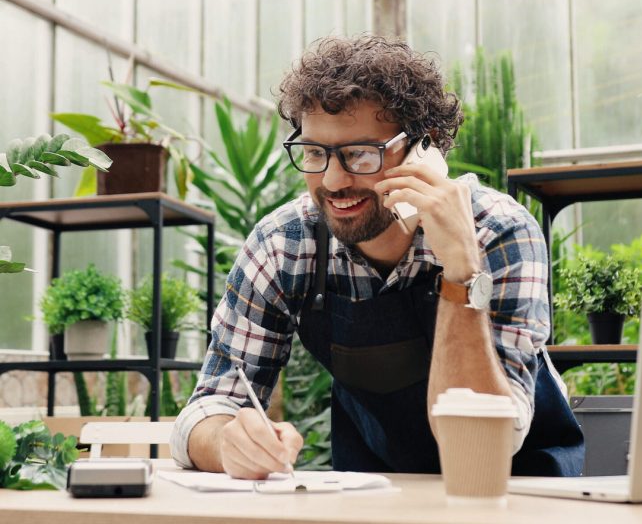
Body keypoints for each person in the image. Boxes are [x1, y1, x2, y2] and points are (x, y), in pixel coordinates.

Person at [170, 35, 583, 478]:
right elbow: (208, 408)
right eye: (314, 153)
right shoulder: (284, 244)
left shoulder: (498, 231)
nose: (331, 181)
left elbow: (484, 441)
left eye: (360, 154)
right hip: (378, 491)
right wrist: (227, 441)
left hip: (518, 489)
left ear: (427, 147)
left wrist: (461, 271)